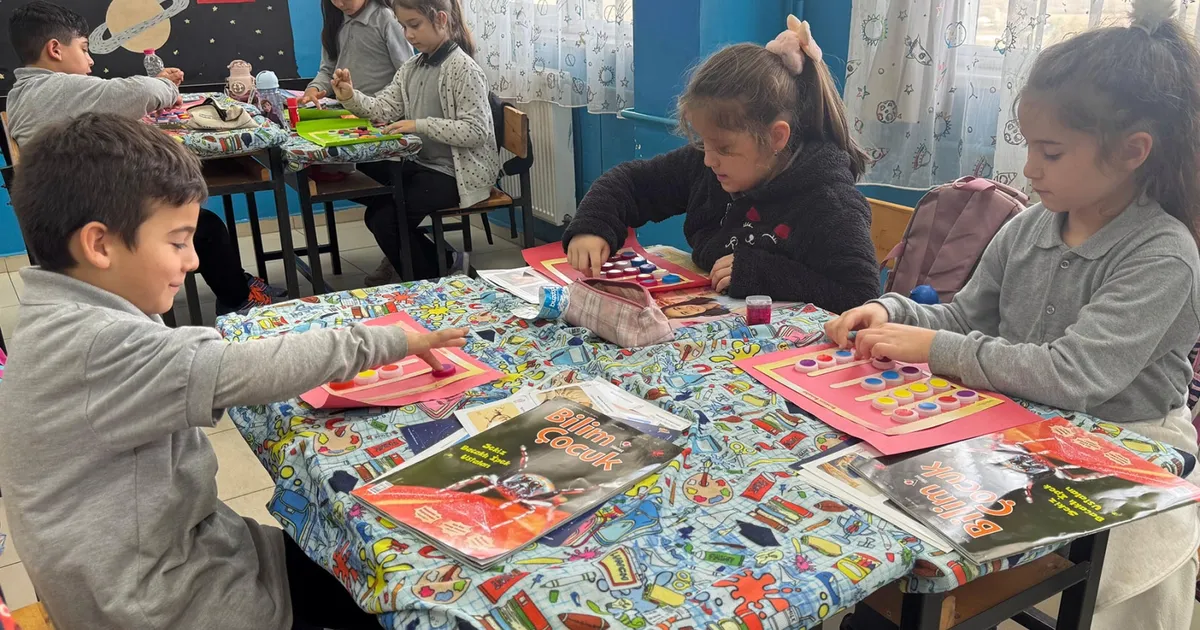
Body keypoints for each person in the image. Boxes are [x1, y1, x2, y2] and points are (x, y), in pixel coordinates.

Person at [0, 113, 469, 629]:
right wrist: (393, 339)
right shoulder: (98, 346)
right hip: (164, 605)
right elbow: (252, 367)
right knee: (405, 588)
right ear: (99, 245)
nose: (193, 261)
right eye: (178, 241)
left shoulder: (61, 314)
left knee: (365, 566)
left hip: (171, 557)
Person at [826, 1, 1200, 627]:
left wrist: (932, 349)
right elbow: (965, 319)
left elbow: (1073, 376)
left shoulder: (1163, 255)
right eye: (1029, 147)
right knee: (895, 547)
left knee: (1041, 583)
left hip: (1128, 448)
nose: (1029, 169)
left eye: (1050, 152)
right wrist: (887, 311)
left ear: (1133, 151)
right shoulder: (1028, 227)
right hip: (1021, 426)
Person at [562, 17, 879, 315]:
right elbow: (632, 183)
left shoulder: (830, 203)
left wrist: (760, 273)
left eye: (724, 148)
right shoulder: (708, 164)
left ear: (776, 137)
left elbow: (860, 295)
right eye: (704, 142)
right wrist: (594, 225)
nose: (708, 159)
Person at [5, 1, 285, 316]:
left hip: (70, 214)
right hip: (90, 223)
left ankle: (239, 287)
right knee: (204, 226)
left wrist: (158, 82)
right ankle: (239, 300)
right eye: (84, 49)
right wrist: (164, 84)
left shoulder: (23, 93)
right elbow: (143, 93)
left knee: (193, 216)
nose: (91, 59)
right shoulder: (56, 88)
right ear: (55, 49)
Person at [331, 0, 498, 285]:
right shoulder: (412, 67)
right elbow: (383, 108)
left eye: (415, 25)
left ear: (441, 19)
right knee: (376, 209)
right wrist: (350, 96)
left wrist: (419, 125)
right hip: (423, 165)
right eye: (403, 26)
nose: (408, 35)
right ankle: (445, 265)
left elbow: (475, 131)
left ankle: (430, 280)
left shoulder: (463, 69)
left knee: (385, 220)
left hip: (457, 174)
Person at [299, 0, 413, 108]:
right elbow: (328, 71)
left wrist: (375, 103)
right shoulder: (335, 21)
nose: (340, 4)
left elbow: (406, 74)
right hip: (346, 110)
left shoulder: (388, 19)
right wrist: (314, 89)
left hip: (381, 110)